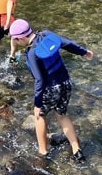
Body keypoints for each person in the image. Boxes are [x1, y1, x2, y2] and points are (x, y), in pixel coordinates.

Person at [9, 19, 93, 162]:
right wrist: (83, 52)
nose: (15, 43)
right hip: (66, 82)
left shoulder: (31, 53)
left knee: (39, 116)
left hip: (51, 87)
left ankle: (43, 152)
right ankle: (76, 150)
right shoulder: (46, 34)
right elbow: (67, 44)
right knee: (61, 114)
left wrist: (37, 103)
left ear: (21, 38)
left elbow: (39, 80)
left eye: (15, 40)